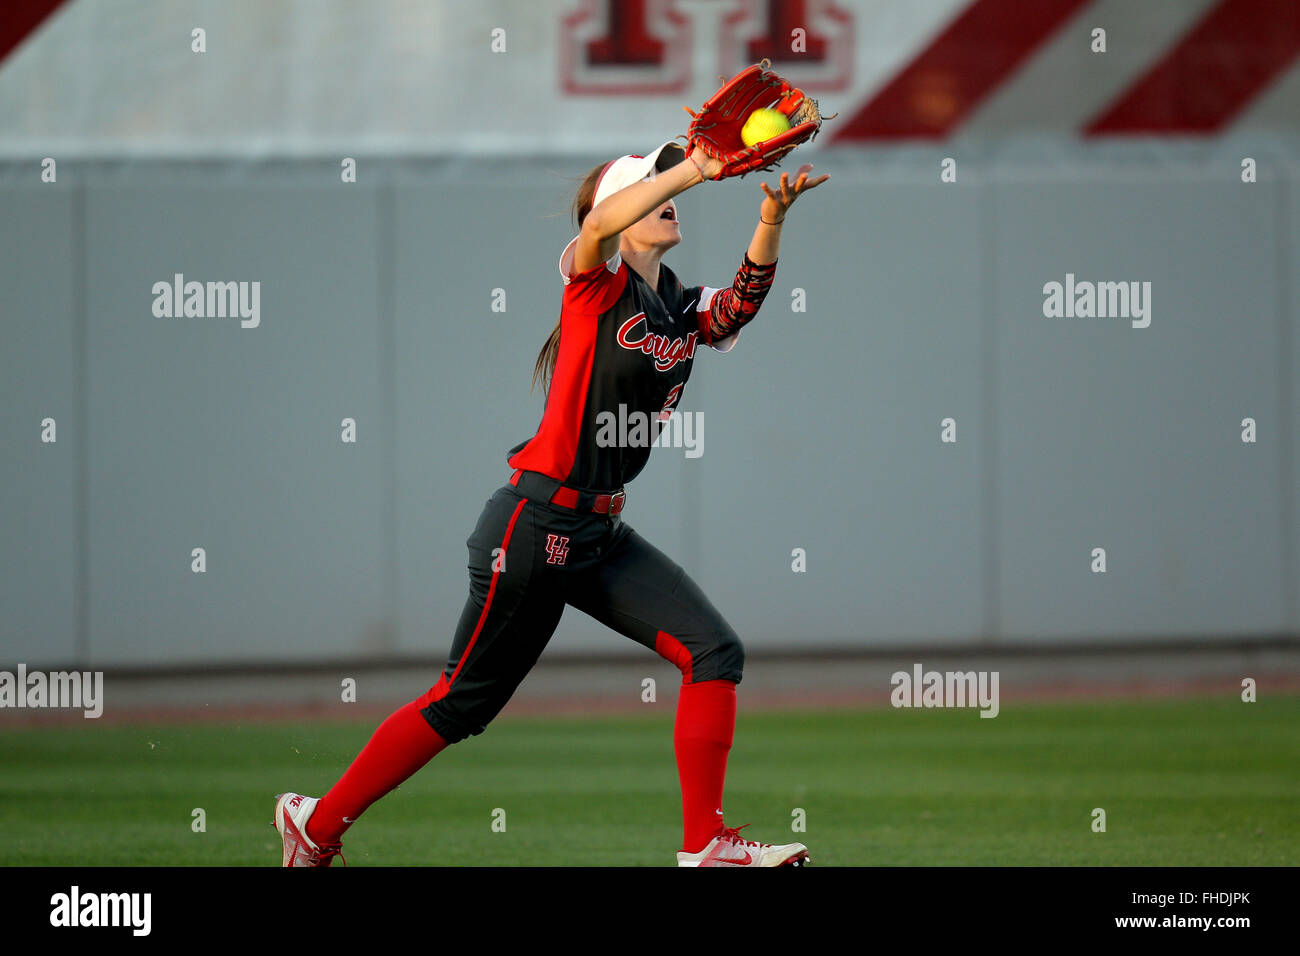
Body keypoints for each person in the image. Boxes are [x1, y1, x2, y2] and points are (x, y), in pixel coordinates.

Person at [274, 140, 829, 867]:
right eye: (649, 186)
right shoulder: (593, 283)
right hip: (531, 529)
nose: (668, 195)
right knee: (459, 706)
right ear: (620, 211)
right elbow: (597, 229)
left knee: (714, 651)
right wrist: (692, 170)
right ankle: (317, 825)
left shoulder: (675, 305)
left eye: (667, 183)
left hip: (597, 532)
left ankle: (708, 846)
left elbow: (735, 310)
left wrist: (771, 220)